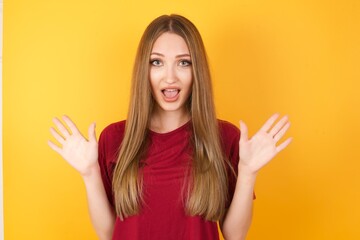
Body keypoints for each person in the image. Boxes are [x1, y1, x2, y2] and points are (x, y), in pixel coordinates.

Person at [48, 14, 292, 240]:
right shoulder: (114, 138)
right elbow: (109, 233)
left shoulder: (225, 138)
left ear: (198, 71)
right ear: (144, 69)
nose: (170, 77)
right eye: (157, 62)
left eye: (184, 63)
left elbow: (234, 235)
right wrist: (89, 173)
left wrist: (248, 172)